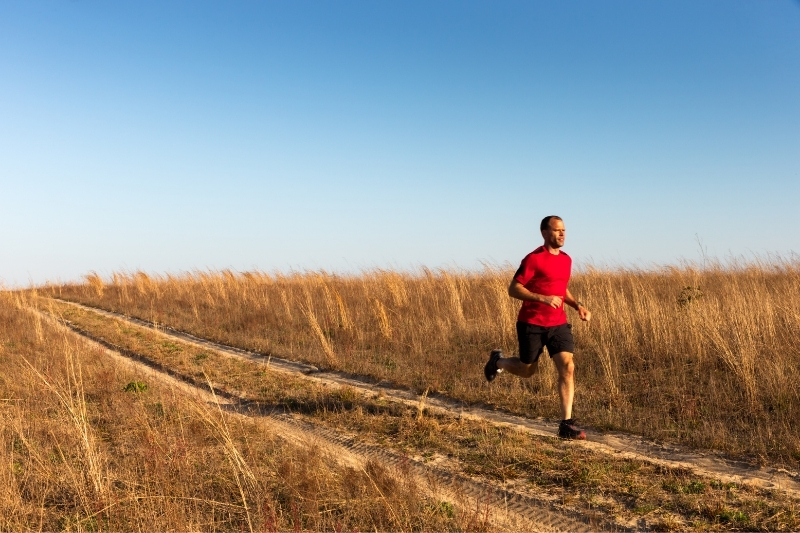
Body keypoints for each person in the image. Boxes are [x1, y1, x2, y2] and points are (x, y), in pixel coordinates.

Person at [484, 215, 592, 439]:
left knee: (568, 367)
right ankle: (498, 361)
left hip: (558, 324)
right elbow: (514, 289)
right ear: (544, 233)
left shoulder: (566, 260)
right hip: (531, 323)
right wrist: (541, 298)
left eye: (564, 230)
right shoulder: (533, 259)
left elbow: (562, 289)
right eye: (557, 230)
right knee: (527, 370)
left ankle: (566, 424)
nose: (562, 234)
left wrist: (578, 306)